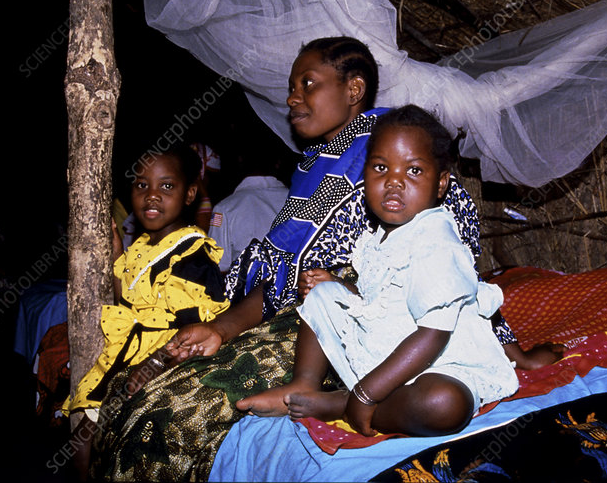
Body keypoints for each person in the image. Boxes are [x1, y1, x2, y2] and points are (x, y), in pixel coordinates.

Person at [89, 36, 550, 481]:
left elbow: (457, 271)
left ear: (353, 89)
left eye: (307, 83)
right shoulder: (315, 166)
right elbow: (284, 275)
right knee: (135, 389)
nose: (292, 98)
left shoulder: (398, 145)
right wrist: (221, 327)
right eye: (291, 87)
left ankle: (345, 401)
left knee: (176, 412)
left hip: (389, 334)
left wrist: (506, 348)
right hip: (321, 316)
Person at [237, 105, 519, 435]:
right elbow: (382, 297)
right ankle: (304, 383)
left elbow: (433, 333)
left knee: (444, 404)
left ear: (441, 184)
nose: (394, 183)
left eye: (413, 171)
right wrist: (342, 289)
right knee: (323, 292)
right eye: (381, 168)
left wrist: (364, 394)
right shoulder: (379, 234)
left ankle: (341, 404)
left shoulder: (436, 239)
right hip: (386, 352)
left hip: (441, 362)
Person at [63, 143, 229, 478]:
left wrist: (152, 365)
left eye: (166, 186)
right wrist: (115, 256)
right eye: (141, 185)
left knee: (112, 448)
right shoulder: (143, 245)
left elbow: (193, 324)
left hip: (157, 362)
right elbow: (132, 299)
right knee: (84, 442)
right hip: (126, 354)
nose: (151, 196)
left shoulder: (191, 253)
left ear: (190, 193)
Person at [207, 147, 290, 273]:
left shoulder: (224, 208)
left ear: (240, 162)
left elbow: (219, 266)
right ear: (278, 163)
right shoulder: (297, 201)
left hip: (246, 289)